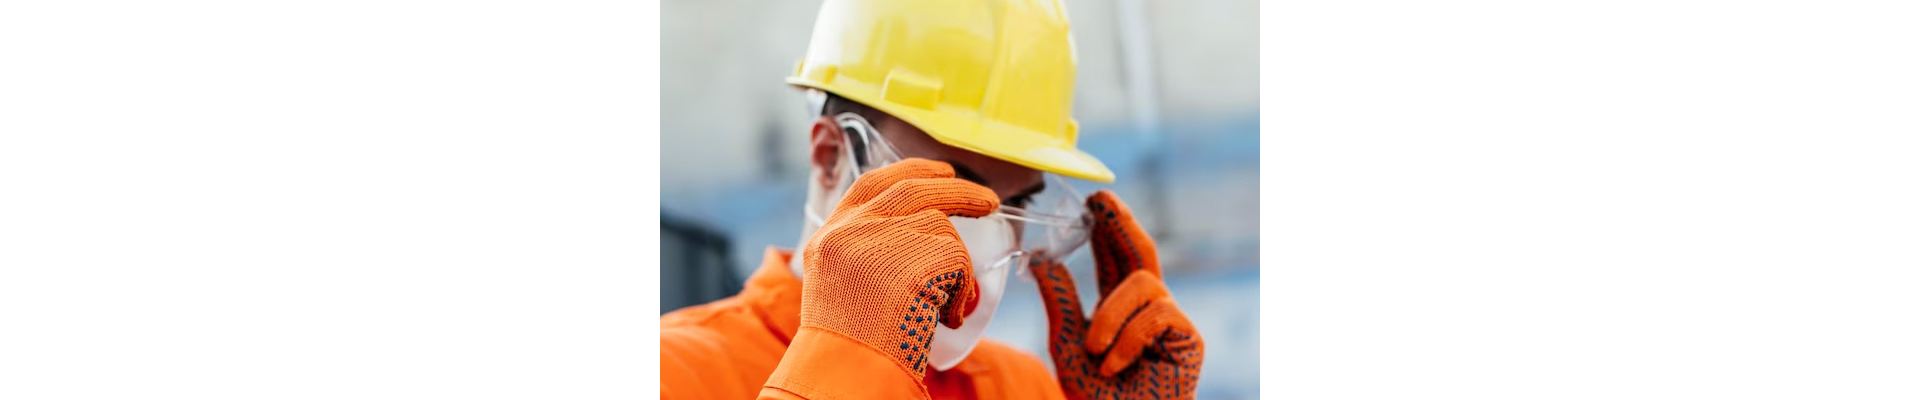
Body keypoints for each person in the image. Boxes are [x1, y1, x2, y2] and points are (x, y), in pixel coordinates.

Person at [661, 0, 1205, 398]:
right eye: (953, 190)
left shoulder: (1021, 388)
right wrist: (843, 371)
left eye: (1015, 206)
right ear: (830, 156)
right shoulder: (673, 373)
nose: (985, 247)